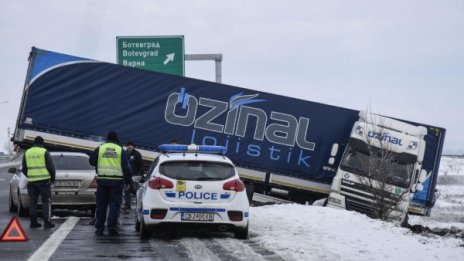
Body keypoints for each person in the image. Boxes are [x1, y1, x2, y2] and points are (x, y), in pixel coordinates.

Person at [89, 131, 131, 236]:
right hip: (116, 182)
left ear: (107, 139)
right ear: (116, 139)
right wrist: (128, 181)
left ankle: (99, 229)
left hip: (102, 181)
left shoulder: (100, 148)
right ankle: (111, 228)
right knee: (114, 206)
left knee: (101, 206)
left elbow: (91, 161)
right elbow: (126, 167)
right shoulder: (120, 150)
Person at [22, 136, 56, 228]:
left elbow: (24, 168)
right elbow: (51, 167)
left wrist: (30, 176)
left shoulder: (27, 152)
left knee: (33, 202)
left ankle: (33, 222)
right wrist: (52, 178)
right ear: (42, 143)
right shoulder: (44, 151)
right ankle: (47, 222)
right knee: (46, 201)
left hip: (31, 181)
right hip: (44, 181)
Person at [123, 141, 143, 212]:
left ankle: (140, 204)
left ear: (133, 147)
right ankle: (127, 206)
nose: (129, 147)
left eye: (131, 146)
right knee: (126, 191)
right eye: (128, 145)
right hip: (126, 175)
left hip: (134, 176)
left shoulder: (137, 154)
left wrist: (141, 174)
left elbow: (140, 165)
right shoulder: (124, 153)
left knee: (135, 190)